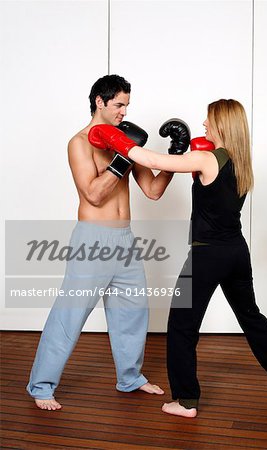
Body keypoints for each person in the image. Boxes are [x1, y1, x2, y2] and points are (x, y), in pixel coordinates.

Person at [87, 98, 267, 418]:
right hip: (236, 252)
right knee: (250, 316)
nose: (203, 124)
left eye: (208, 119)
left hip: (207, 254)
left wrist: (114, 137)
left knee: (182, 326)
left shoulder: (205, 159)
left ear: (221, 125)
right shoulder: (239, 161)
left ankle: (186, 400)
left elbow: (149, 158)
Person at [26, 74, 189, 410]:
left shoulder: (124, 139)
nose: (123, 112)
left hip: (125, 240)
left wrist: (176, 153)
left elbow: (153, 191)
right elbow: (93, 195)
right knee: (69, 314)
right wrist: (123, 157)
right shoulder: (80, 142)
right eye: (118, 104)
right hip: (92, 241)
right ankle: (41, 385)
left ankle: (130, 378)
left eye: (127, 105)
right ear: (99, 102)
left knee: (132, 313)